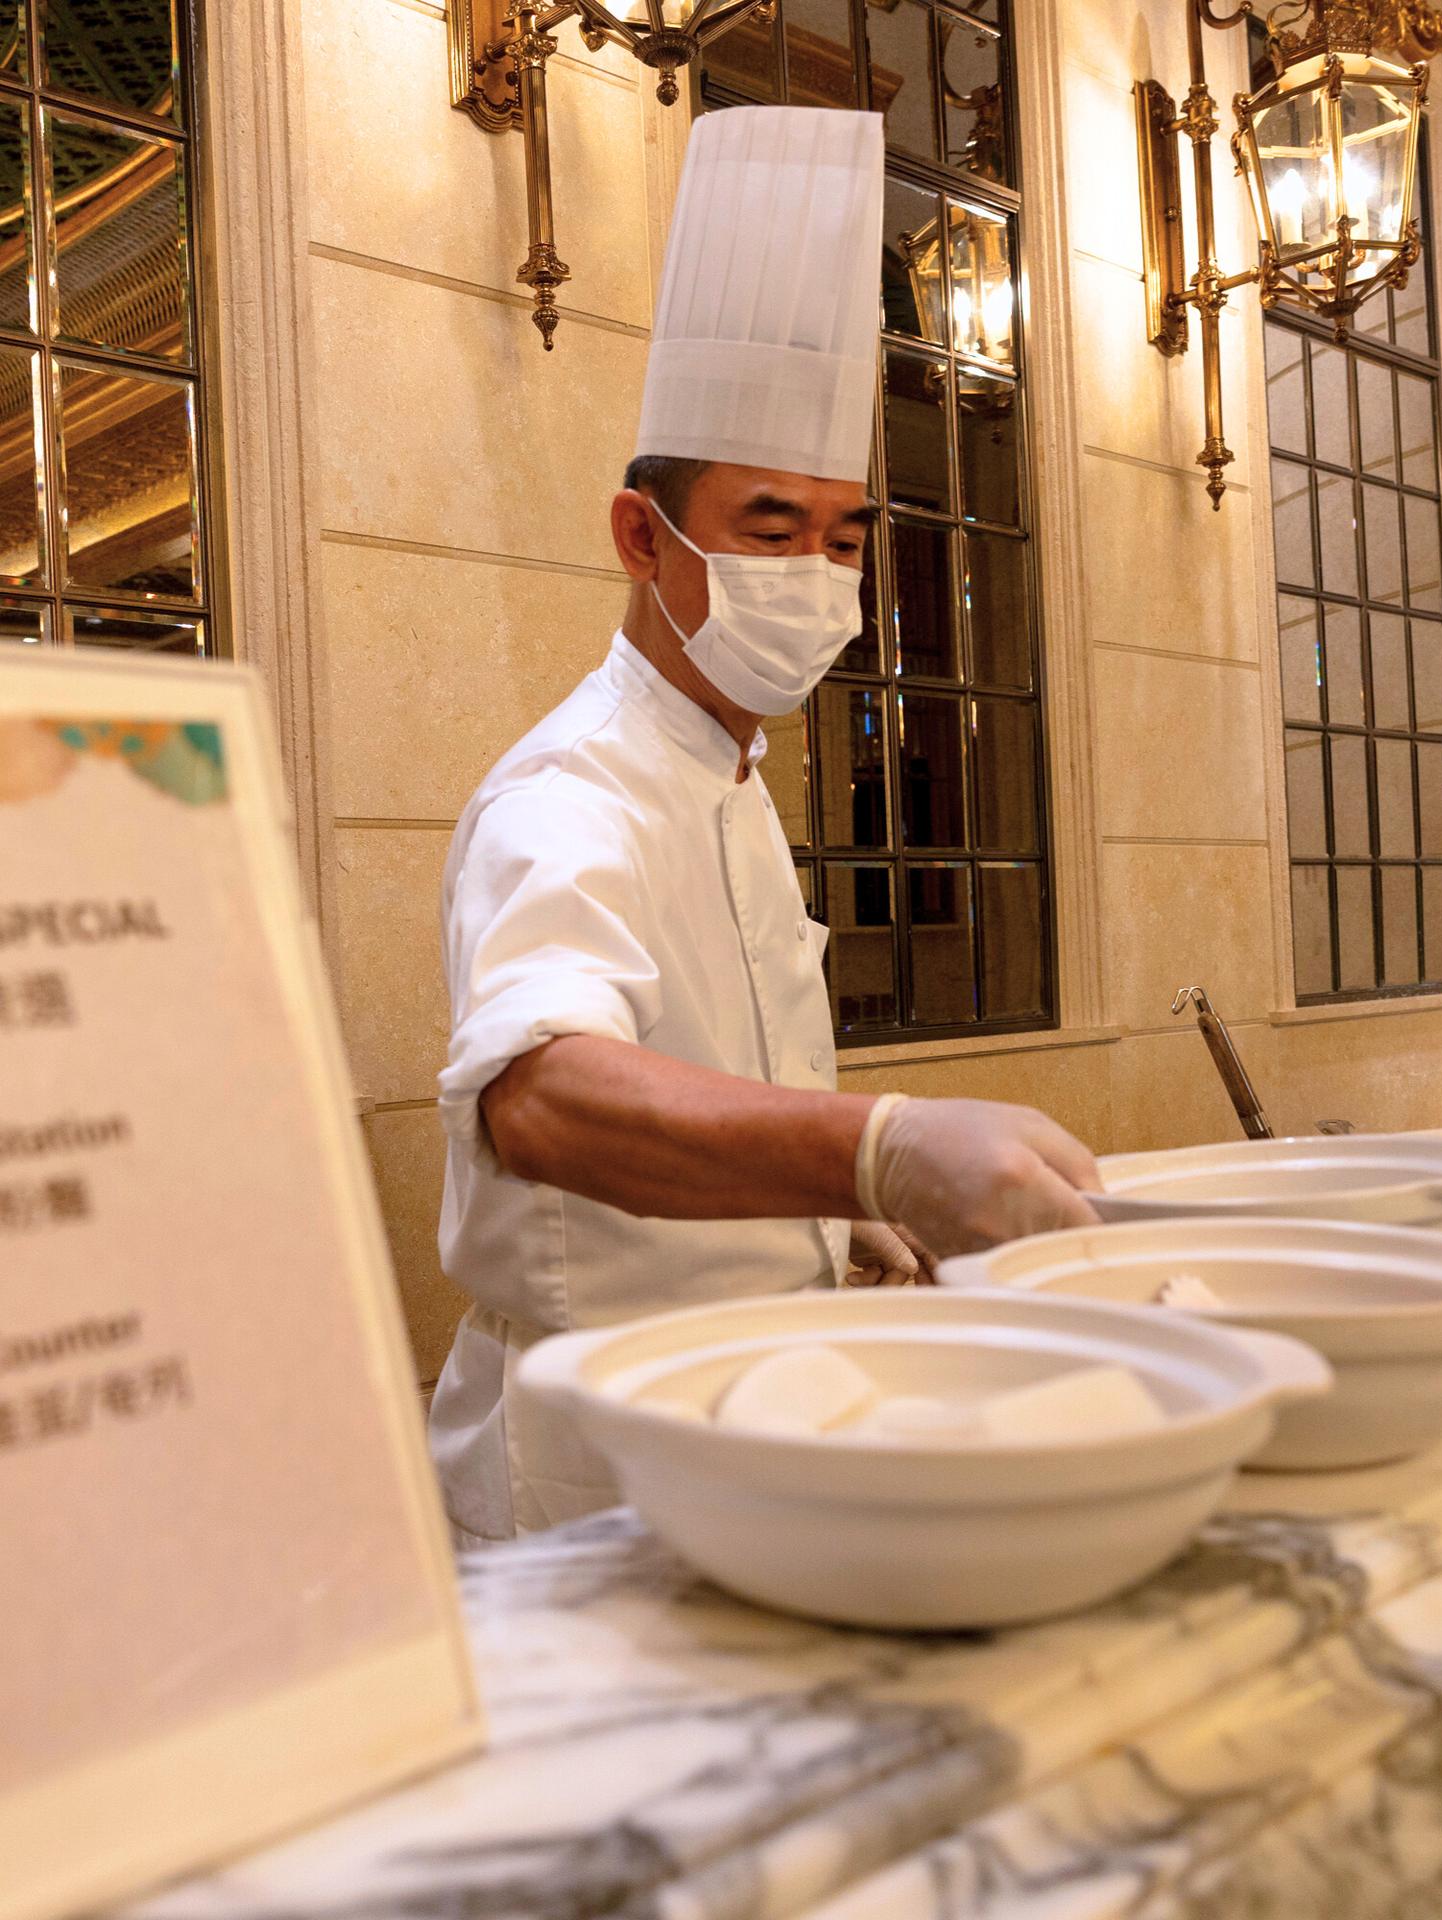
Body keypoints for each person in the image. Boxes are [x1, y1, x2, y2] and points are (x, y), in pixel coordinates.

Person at [428, 105, 1102, 1545]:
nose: (818, 576)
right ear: (642, 538)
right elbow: (539, 1098)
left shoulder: (730, 781)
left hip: (756, 1420)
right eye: (772, 529)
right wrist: (877, 1150)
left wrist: (836, 1219)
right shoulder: (569, 794)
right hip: (589, 1463)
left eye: (846, 541)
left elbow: (722, 1079)